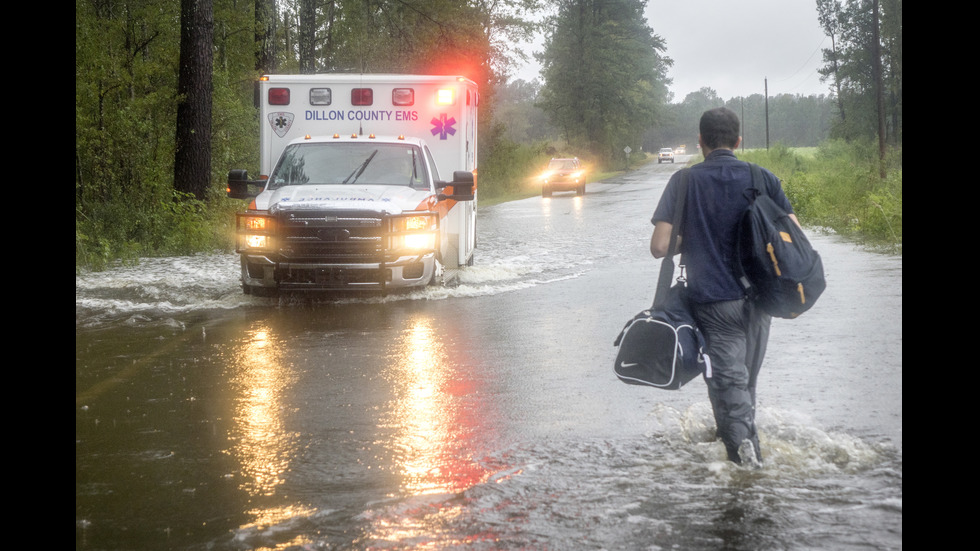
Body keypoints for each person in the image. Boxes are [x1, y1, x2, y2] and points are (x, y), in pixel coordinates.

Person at [649, 107, 800, 466]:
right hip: (762, 301)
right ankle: (736, 449)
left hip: (714, 303)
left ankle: (747, 473)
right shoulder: (762, 178)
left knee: (729, 385)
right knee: (742, 384)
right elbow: (793, 234)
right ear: (737, 141)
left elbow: (659, 246)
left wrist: (694, 237)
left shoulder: (684, 181)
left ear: (700, 142)